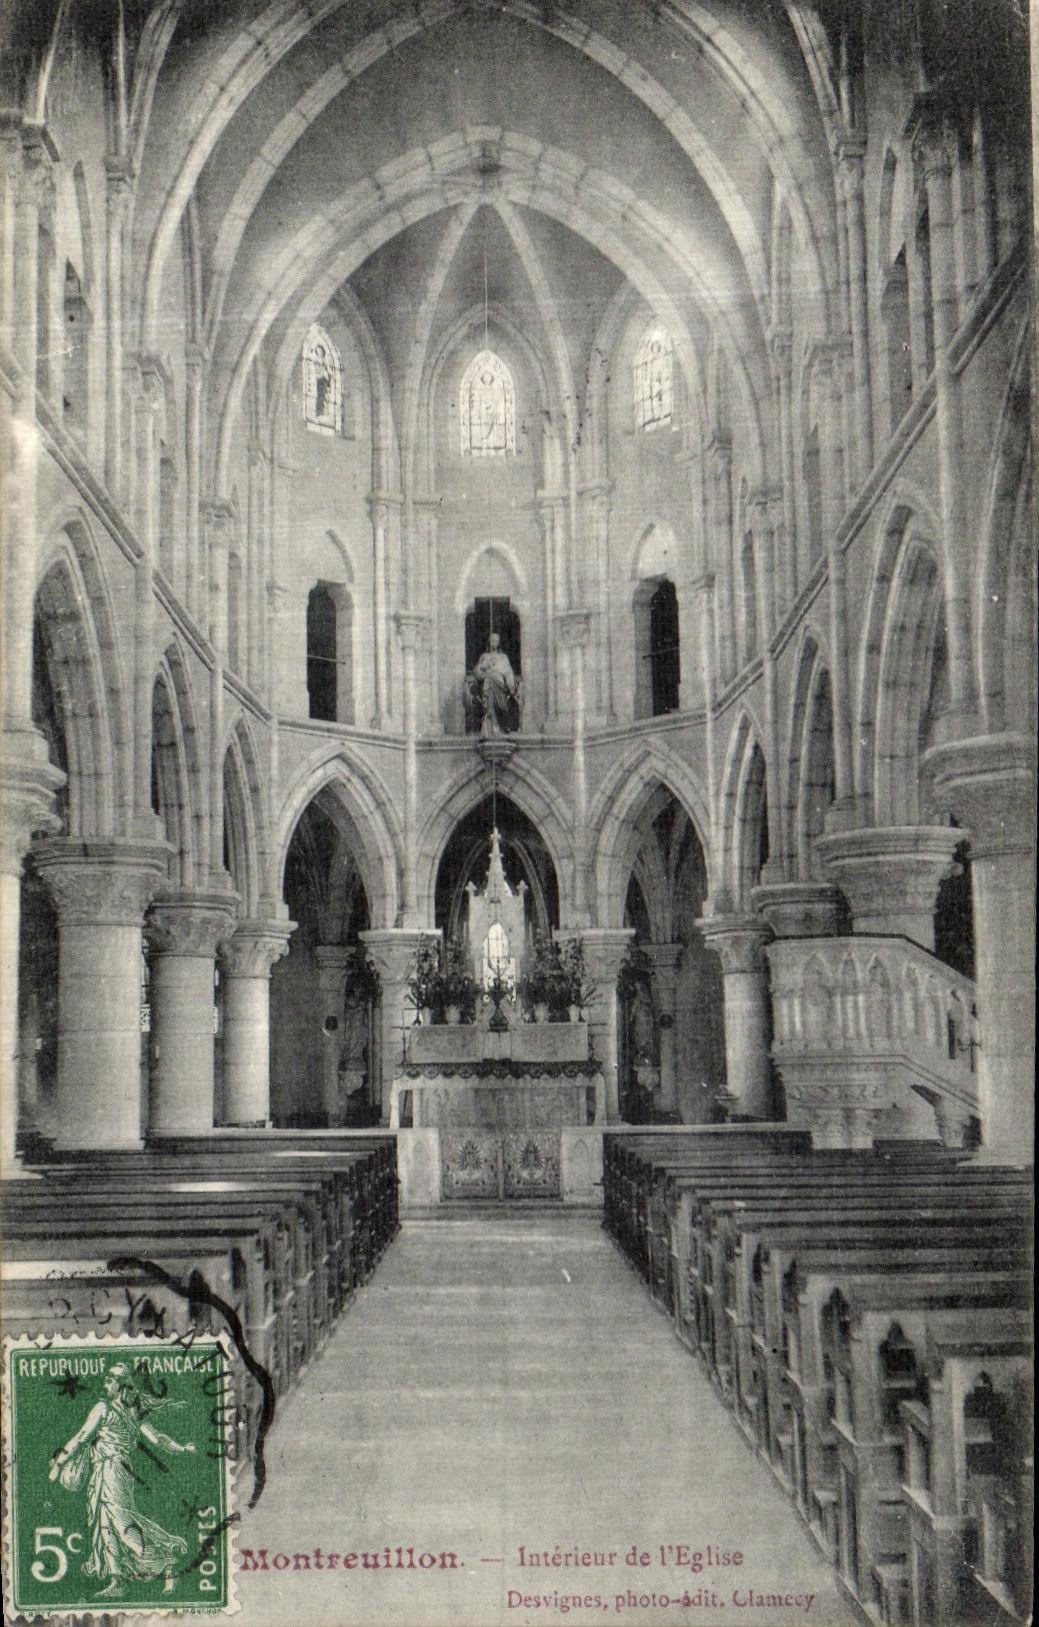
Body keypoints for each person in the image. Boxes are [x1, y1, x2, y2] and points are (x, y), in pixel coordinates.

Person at [48, 1362, 196, 1598]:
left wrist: (59, 1464)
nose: (106, 1382)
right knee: (105, 1524)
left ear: (121, 1385)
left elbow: (82, 1437)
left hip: (113, 1470)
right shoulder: (130, 1413)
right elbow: (157, 1439)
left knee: (121, 1522)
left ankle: (165, 1563)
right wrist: (182, 1449)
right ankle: (117, 1581)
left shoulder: (105, 1409)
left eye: (111, 1378)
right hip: (107, 1471)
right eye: (106, 1378)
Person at [465, 632, 522, 734]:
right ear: (489, 642)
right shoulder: (484, 656)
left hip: (501, 684)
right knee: (489, 680)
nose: (493, 642)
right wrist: (483, 666)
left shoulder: (503, 657)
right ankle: (490, 722)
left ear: (499, 643)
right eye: (492, 640)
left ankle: (499, 724)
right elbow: (477, 672)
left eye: (496, 640)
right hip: (487, 683)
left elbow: (508, 672)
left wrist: (510, 685)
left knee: (492, 680)